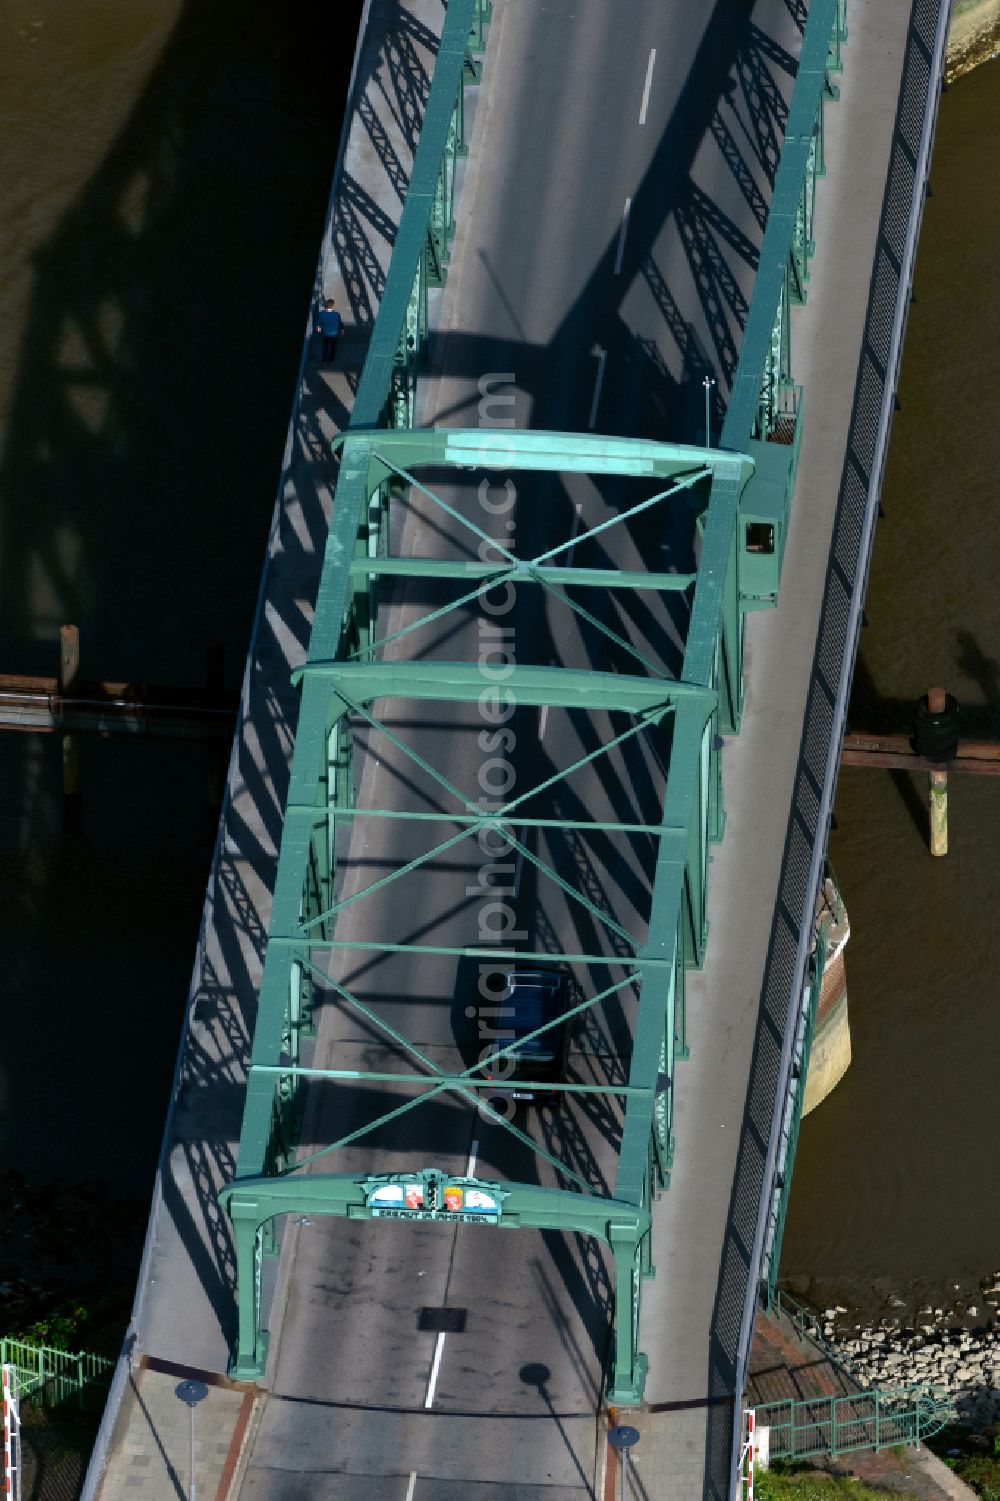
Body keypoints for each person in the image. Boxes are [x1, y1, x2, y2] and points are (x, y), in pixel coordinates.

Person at [315, 297, 342, 364]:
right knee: (333, 347)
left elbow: (318, 324)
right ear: (332, 306)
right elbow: (340, 323)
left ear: (326, 305)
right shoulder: (336, 314)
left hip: (325, 333)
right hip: (334, 334)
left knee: (325, 347)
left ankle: (324, 360)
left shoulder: (322, 313)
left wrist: (318, 330)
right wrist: (341, 330)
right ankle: (331, 359)